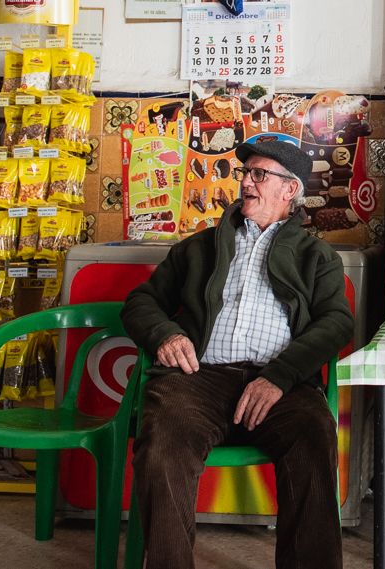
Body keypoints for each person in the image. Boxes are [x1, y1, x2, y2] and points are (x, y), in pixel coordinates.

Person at [123, 139, 352, 569]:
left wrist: (280, 376)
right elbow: (141, 302)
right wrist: (166, 336)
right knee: (163, 437)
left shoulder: (316, 257)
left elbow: (336, 322)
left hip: (279, 383)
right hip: (200, 379)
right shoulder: (199, 248)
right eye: (245, 173)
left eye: (259, 174)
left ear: (290, 190)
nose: (246, 181)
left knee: (313, 432)